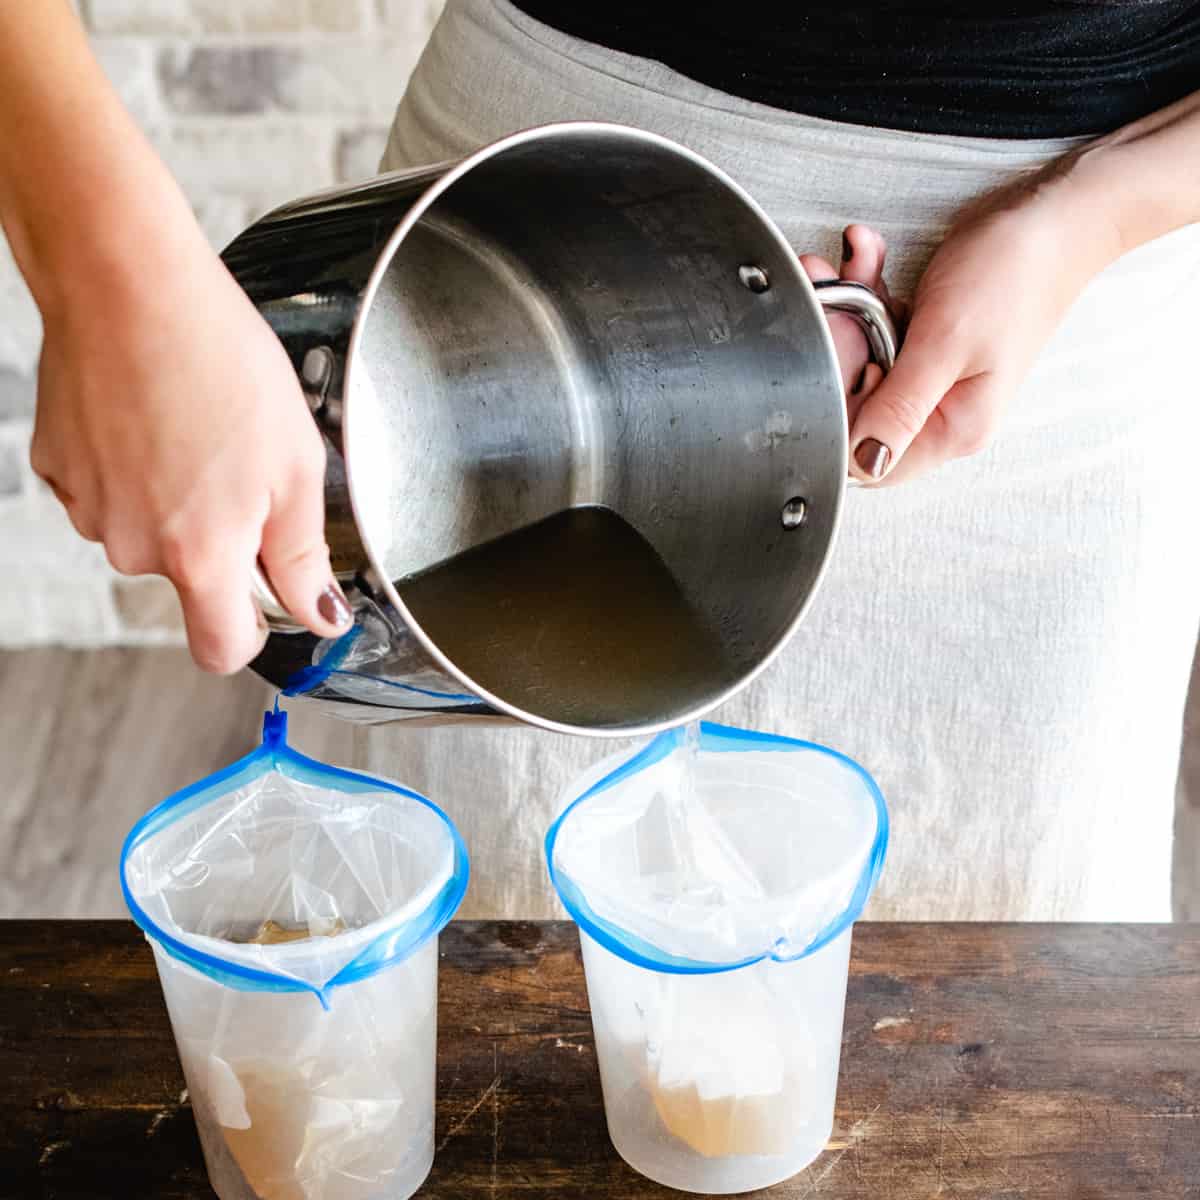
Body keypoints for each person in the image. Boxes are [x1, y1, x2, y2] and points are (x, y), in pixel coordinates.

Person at [2, 1, 1198, 921]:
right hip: (492, 272)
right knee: (481, 1007)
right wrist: (110, 279)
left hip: (1053, 324)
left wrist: (1087, 216)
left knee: (1000, 1025)